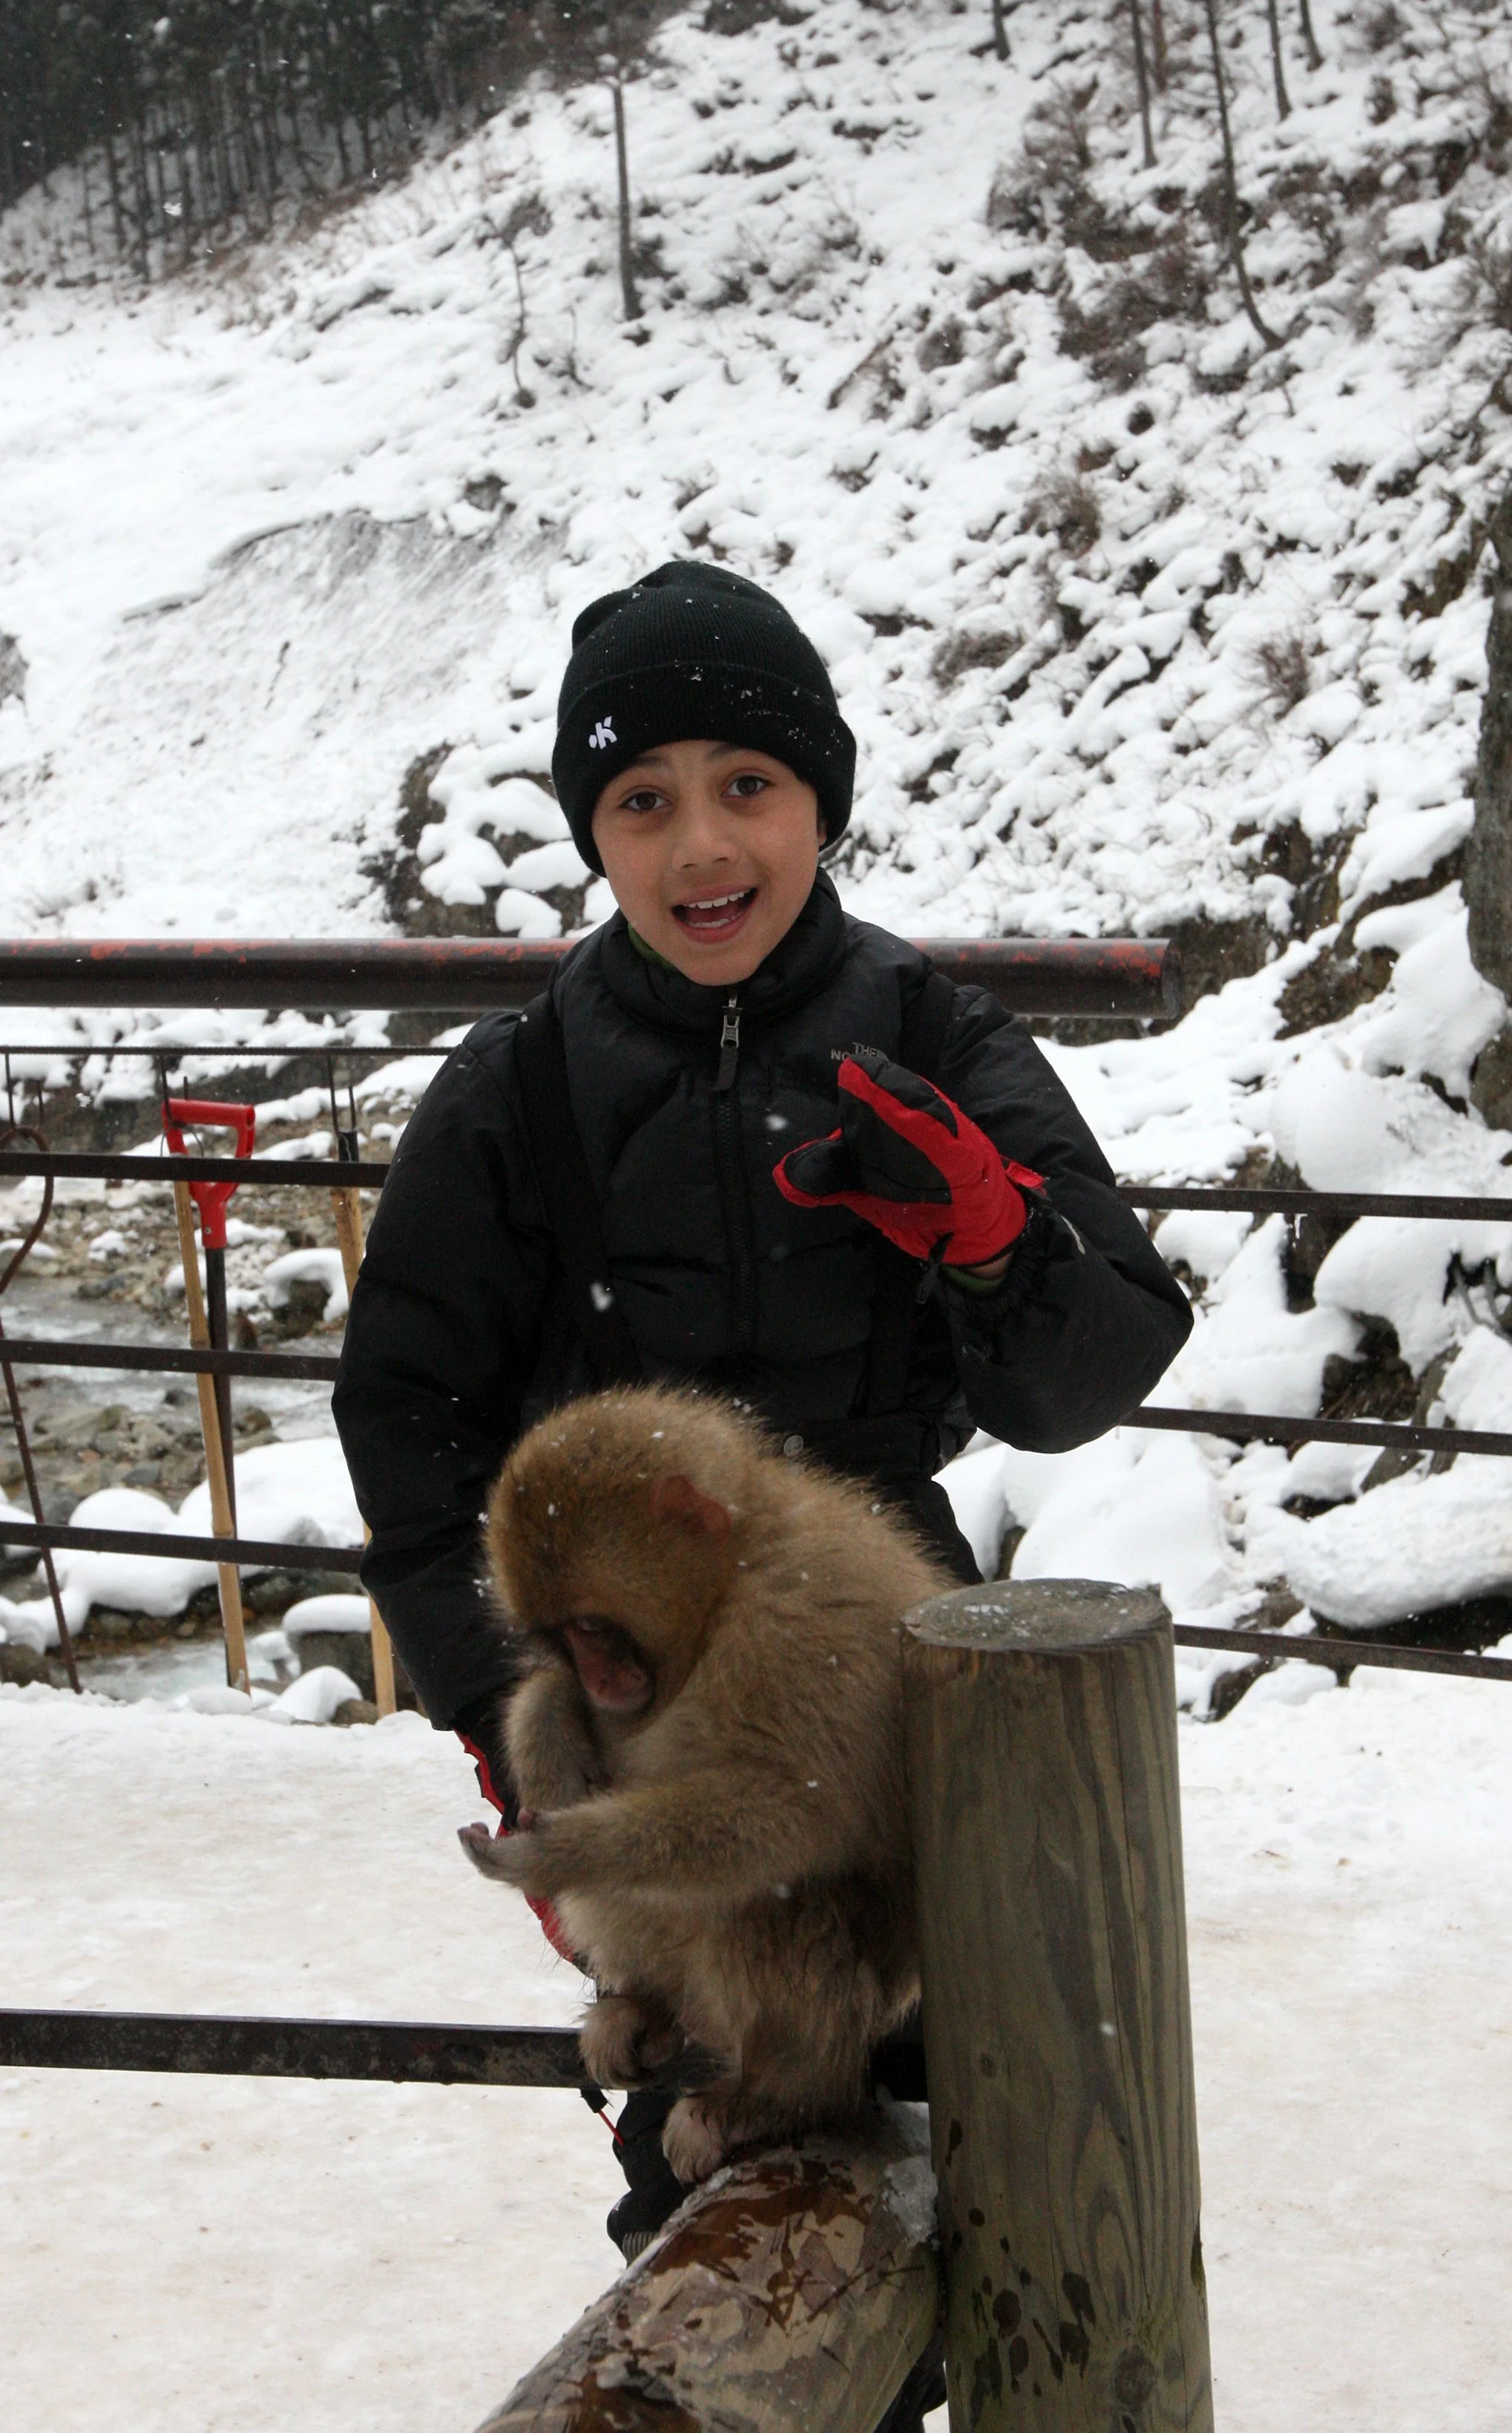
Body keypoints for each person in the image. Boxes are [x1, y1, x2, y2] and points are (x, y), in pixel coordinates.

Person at [331, 557, 1192, 2288]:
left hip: (910, 1674)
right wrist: (510, 1721)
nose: (702, 850)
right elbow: (408, 1431)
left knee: (1017, 2169)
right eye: (643, 802)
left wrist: (996, 1244)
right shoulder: (518, 1092)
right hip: (634, 1689)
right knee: (724, 2166)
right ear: (594, 833)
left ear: (819, 803)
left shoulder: (935, 1039)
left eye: (748, 789)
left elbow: (1090, 1375)